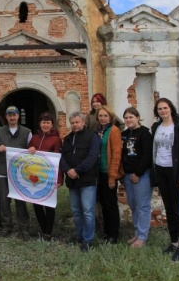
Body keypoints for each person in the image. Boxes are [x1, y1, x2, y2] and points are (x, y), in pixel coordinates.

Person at [151, 97, 179, 262]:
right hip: (161, 171)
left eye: (165, 108)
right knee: (168, 209)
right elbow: (155, 150)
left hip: (175, 174)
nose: (163, 111)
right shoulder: (156, 127)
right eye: (160, 109)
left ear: (171, 109)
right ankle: (173, 242)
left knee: (178, 211)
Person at [0, 106, 32, 240]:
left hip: (19, 173)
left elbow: (32, 147)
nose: (12, 117)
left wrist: (31, 149)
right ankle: (7, 226)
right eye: (9, 115)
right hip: (3, 171)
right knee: (4, 201)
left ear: (18, 116)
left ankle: (24, 228)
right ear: (6, 117)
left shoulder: (27, 132)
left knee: (20, 201)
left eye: (14, 115)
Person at [60, 111, 100, 251]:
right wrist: (68, 170)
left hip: (87, 180)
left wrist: (77, 170)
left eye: (77, 122)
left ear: (83, 122)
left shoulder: (92, 137)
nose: (75, 125)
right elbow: (62, 157)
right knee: (76, 211)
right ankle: (79, 235)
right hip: (72, 181)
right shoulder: (68, 138)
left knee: (88, 211)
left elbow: (92, 157)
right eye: (72, 123)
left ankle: (88, 239)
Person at [27, 112, 63, 241]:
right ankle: (43, 228)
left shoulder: (56, 139)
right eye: (43, 122)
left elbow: (58, 159)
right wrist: (30, 148)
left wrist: (59, 178)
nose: (45, 125)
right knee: (36, 204)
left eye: (48, 122)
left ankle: (48, 232)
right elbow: (27, 153)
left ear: (52, 124)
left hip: (49, 177)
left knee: (49, 205)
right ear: (40, 124)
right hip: (35, 176)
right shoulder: (35, 138)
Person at [121, 107, 153, 248]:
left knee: (142, 206)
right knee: (133, 205)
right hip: (127, 175)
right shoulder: (124, 134)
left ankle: (142, 237)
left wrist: (138, 173)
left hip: (141, 175)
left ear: (137, 117)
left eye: (131, 117)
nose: (128, 120)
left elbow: (147, 156)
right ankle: (137, 232)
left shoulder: (145, 134)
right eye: (126, 118)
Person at [95, 105, 123, 244]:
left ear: (110, 117)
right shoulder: (98, 131)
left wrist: (113, 176)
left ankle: (113, 234)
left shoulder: (114, 130)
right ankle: (106, 231)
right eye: (100, 116)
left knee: (111, 204)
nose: (103, 118)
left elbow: (117, 154)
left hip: (108, 173)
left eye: (105, 116)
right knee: (103, 203)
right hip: (98, 172)